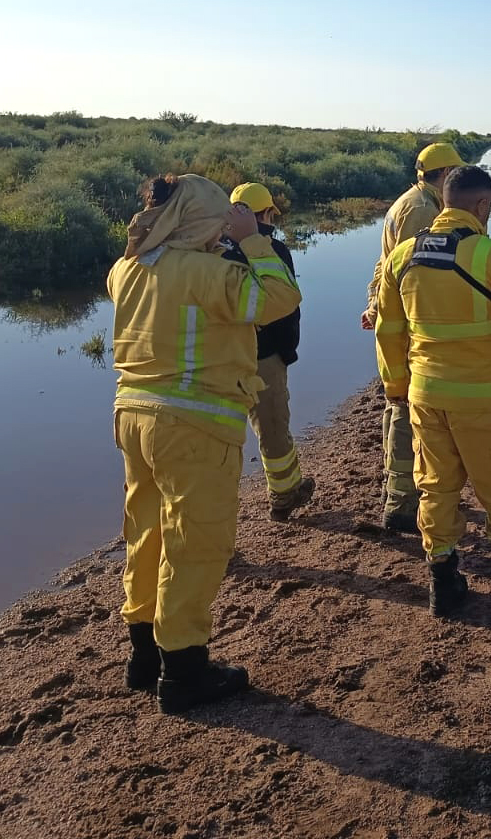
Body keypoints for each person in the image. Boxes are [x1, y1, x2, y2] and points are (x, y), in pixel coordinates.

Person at [109, 173, 302, 713]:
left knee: (145, 533)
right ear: (198, 221)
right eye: (217, 221)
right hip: (192, 425)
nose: (221, 231)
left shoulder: (125, 269)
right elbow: (280, 297)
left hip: (133, 415)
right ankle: (184, 670)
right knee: (194, 544)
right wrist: (252, 240)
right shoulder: (211, 273)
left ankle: (144, 656)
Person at [375, 165, 491, 615]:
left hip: (425, 397)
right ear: (482, 205)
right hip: (482, 400)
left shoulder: (403, 256)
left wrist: (395, 385)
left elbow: (388, 332)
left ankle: (443, 584)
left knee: (435, 488)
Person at [361, 141, 465, 533]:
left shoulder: (412, 201)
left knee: (399, 405)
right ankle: (401, 501)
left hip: (397, 318)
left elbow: (386, 264)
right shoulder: (422, 210)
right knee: (405, 407)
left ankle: (399, 490)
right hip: (406, 324)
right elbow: (411, 270)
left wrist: (373, 302)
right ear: (444, 174)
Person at [223, 182, 312, 522]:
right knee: (273, 430)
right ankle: (283, 495)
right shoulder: (272, 250)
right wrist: (288, 351)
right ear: (266, 214)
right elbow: (286, 305)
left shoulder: (214, 252)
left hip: (223, 359)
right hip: (264, 358)